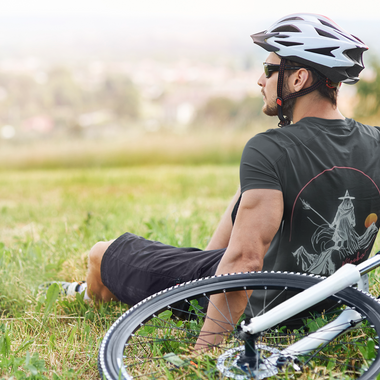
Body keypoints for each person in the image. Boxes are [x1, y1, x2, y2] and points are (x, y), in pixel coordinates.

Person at [43, 13, 380, 348]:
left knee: (102, 255)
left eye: (269, 70)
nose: (261, 81)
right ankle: (191, 272)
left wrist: (203, 353)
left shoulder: (271, 147)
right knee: (252, 191)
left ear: (298, 79)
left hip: (258, 312)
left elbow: (245, 262)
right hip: (330, 309)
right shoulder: (375, 144)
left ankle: (90, 295)